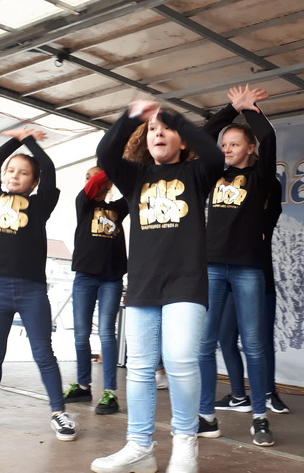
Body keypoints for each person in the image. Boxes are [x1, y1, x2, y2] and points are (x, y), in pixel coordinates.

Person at [91, 101, 223, 473]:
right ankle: (139, 446)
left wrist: (174, 116)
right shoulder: (135, 177)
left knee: (180, 360)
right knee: (139, 368)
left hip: (186, 284)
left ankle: (185, 445)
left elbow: (215, 155)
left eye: (167, 128)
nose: (159, 133)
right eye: (152, 129)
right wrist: (131, 116)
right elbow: (105, 153)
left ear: (182, 140)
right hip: (143, 286)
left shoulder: (197, 172)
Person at [0, 127, 76, 442]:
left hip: (31, 290)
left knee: (43, 352)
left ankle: (58, 411)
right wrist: (14, 139)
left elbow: (48, 168)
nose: (14, 175)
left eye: (23, 173)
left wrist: (29, 141)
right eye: (11, 170)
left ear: (34, 182)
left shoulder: (40, 204)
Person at [197, 85, 278, 447]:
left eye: (234, 144)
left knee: (254, 344)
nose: (226, 149)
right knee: (205, 344)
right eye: (224, 144)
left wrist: (251, 111)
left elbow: (269, 137)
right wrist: (231, 109)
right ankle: (206, 416)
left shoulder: (261, 177)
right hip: (213, 267)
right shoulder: (212, 174)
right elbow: (201, 138)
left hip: (247, 268)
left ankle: (259, 417)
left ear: (250, 149)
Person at [214, 178, 290, 415]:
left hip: (261, 280)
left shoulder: (265, 210)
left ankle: (268, 393)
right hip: (232, 280)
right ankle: (238, 396)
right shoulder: (231, 210)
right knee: (226, 337)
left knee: (261, 340)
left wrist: (259, 173)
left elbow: (270, 184)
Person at [64, 165, 128, 416]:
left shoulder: (117, 209)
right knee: (81, 334)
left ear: (109, 184)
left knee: (106, 332)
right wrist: (109, 169)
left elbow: (134, 190)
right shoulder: (83, 203)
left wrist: (118, 171)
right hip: (85, 277)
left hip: (111, 279)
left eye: (97, 176)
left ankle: (110, 392)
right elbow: (93, 186)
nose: (92, 181)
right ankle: (83, 386)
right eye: (87, 177)